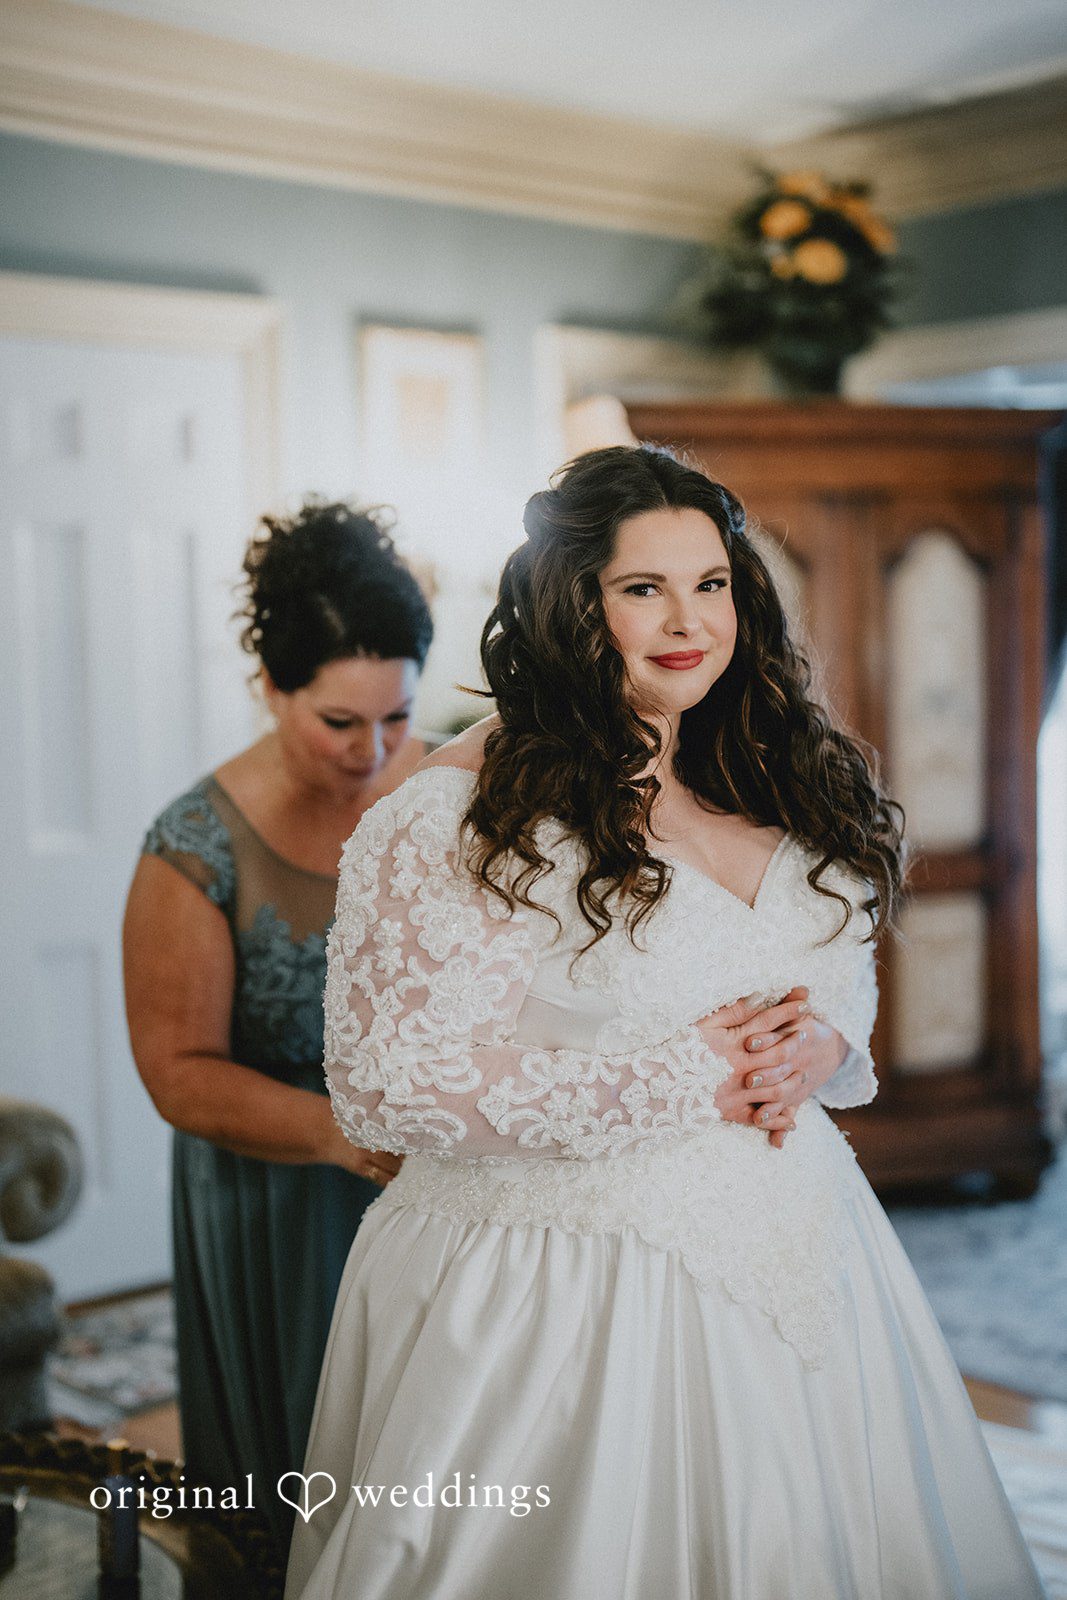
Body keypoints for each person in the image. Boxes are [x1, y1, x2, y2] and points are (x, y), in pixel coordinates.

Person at [285, 448, 1045, 1599]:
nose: (689, 621)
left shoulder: (769, 766)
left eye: (711, 584)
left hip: (805, 1255)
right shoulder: (458, 813)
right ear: (569, 602)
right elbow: (388, 1081)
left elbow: (830, 974)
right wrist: (677, 1079)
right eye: (643, 588)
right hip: (564, 1291)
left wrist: (819, 1046)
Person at [123, 499, 433, 1550]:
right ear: (270, 686)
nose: (373, 750)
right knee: (296, 1484)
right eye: (338, 722)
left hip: (440, 1173)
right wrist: (340, 1136)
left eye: (396, 717)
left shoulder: (455, 790)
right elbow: (176, 1069)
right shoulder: (193, 845)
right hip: (279, 1198)